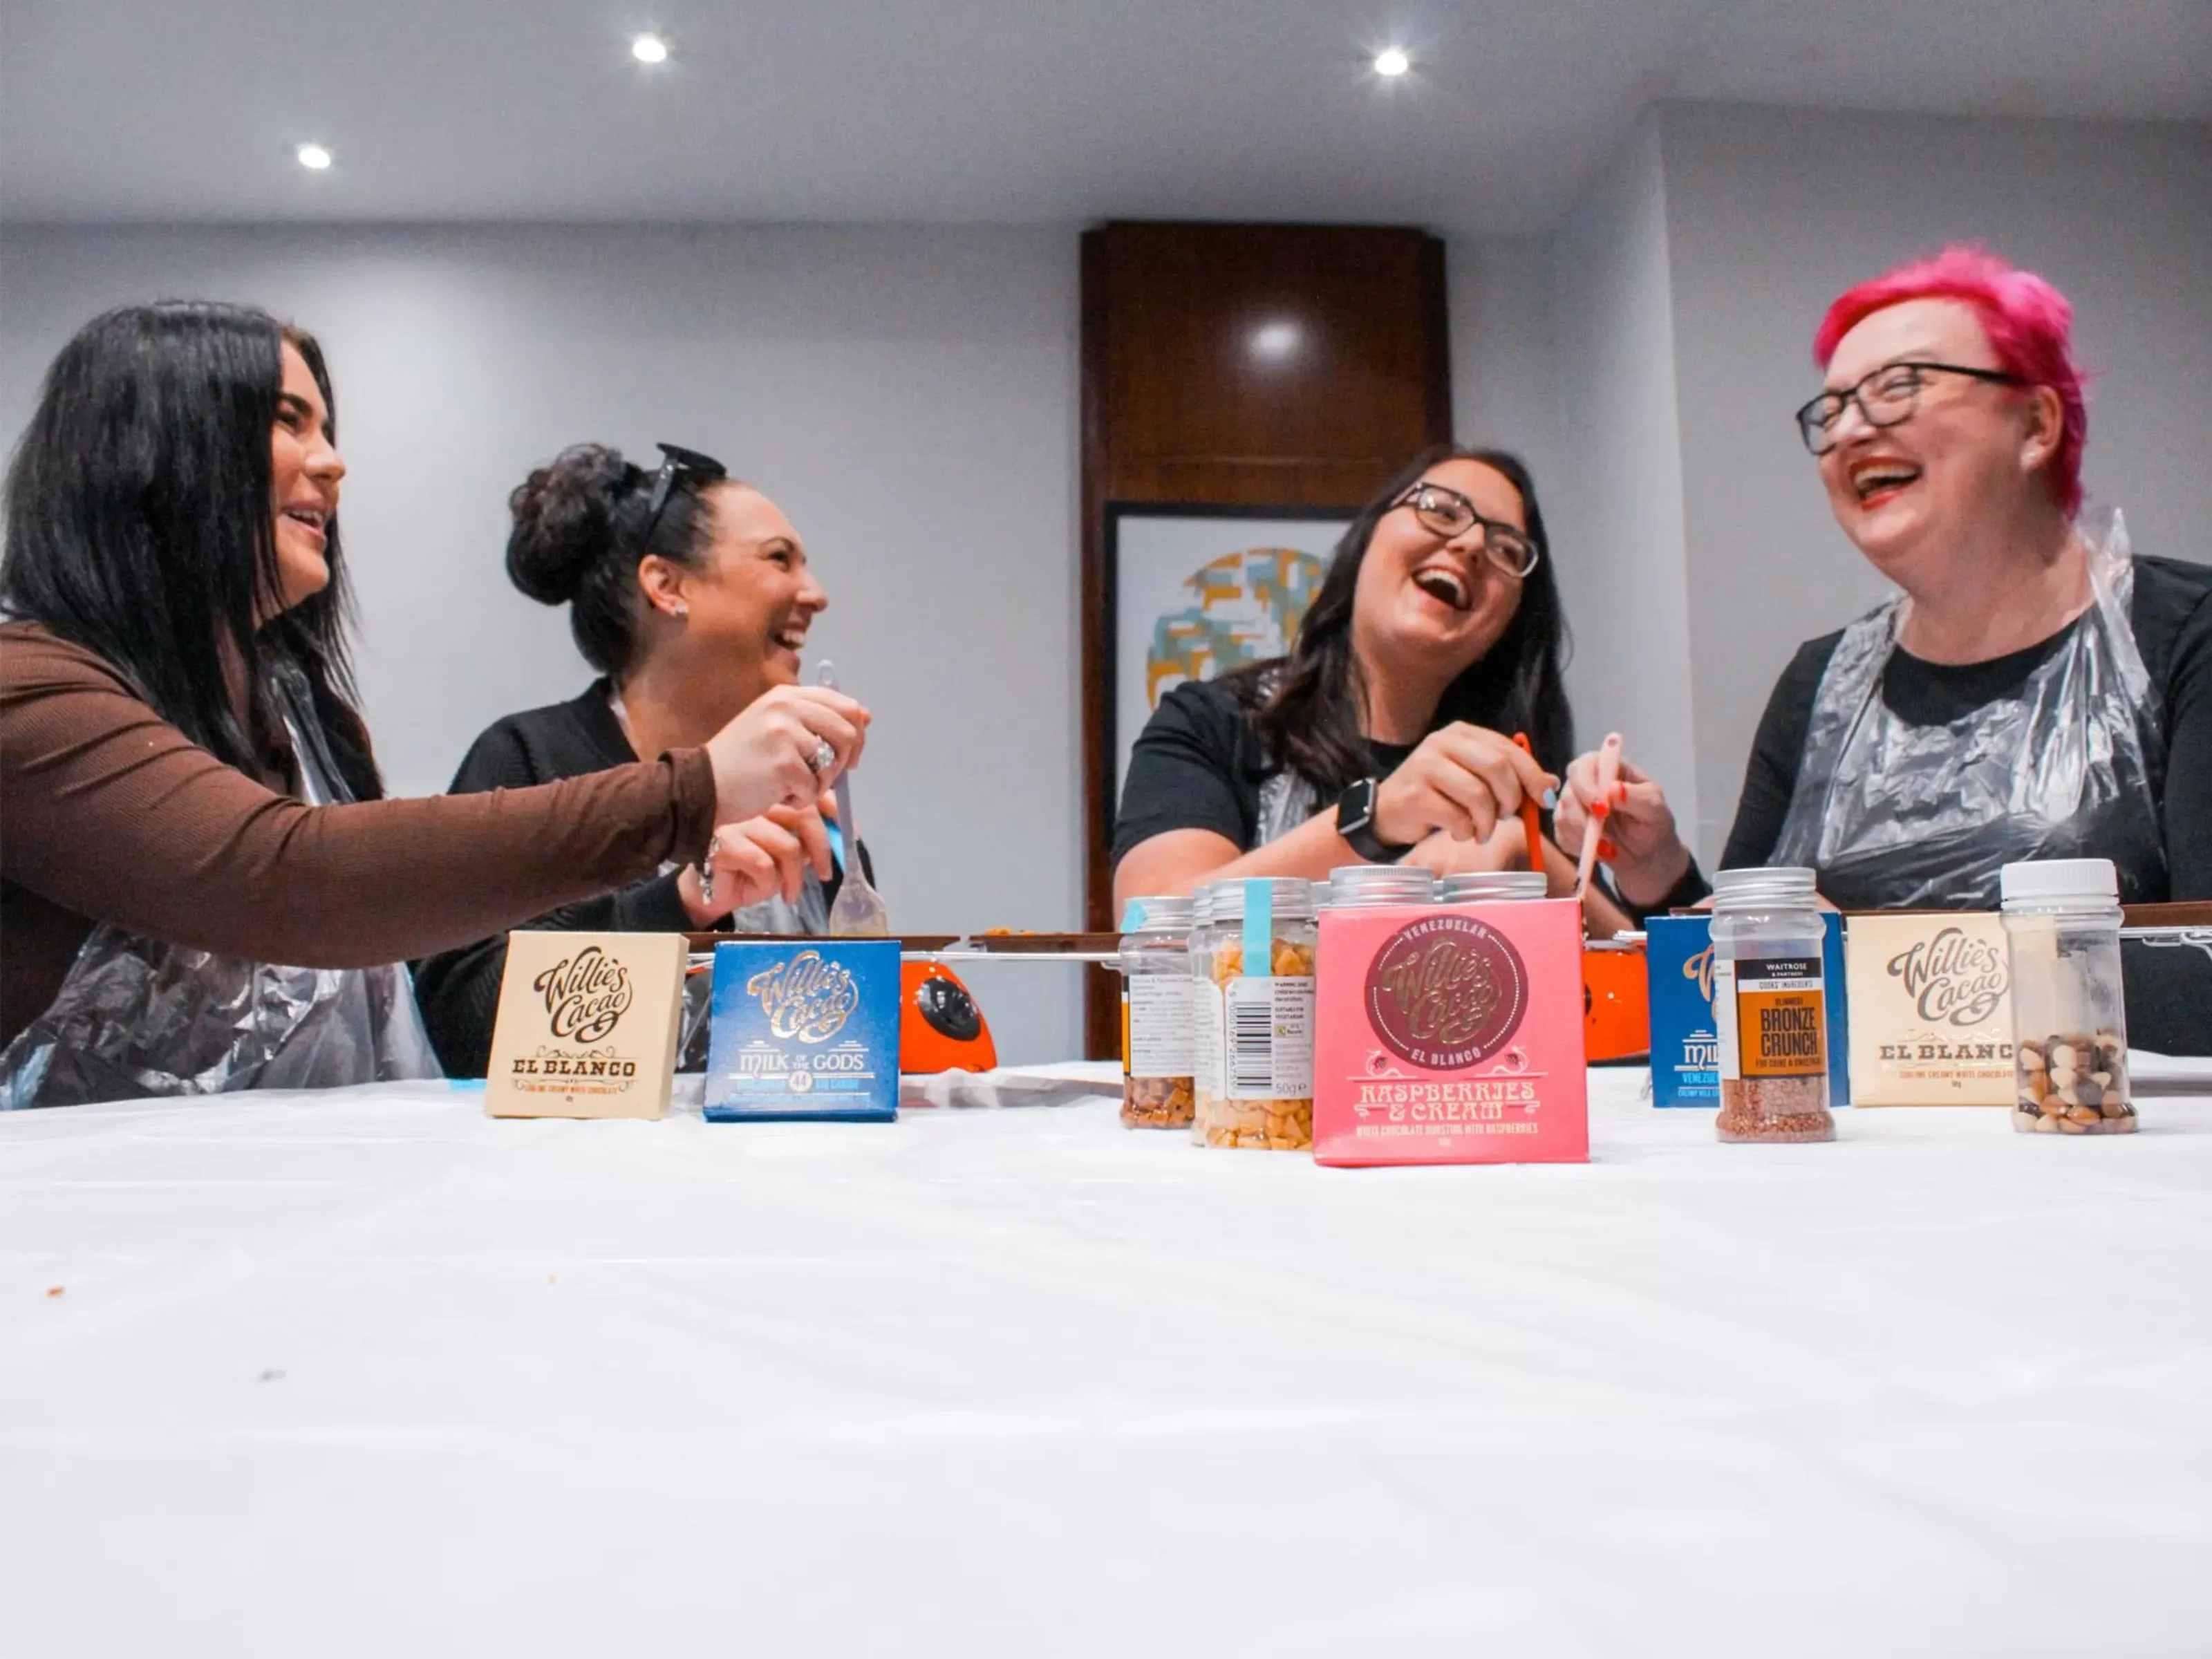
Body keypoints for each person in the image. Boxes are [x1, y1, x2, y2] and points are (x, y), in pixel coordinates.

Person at [0, 301, 870, 1105]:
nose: (333, 462)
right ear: (151, 453)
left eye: (327, 428)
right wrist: (689, 805)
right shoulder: (25, 691)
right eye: (288, 420)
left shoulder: (312, 722)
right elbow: (288, 881)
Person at [1552, 247, 2211, 1052]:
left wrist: (1857, 961)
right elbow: (1729, 996)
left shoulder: (2183, 637)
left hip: (2102, 1127)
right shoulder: (1818, 684)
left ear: (2035, 425)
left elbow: (2199, 975)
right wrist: (1657, 871)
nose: (1851, 430)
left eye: (1900, 387)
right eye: (1830, 410)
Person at [413, 442, 872, 1075]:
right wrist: (680, 902)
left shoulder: (807, 802)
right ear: (667, 585)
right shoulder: (526, 761)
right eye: (779, 559)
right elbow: (461, 1027)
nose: (815, 594)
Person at [1112, 444, 1630, 933]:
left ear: (1507, 627)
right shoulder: (1213, 722)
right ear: (1365, 544)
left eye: (1506, 549)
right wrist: (1375, 821)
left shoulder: (1518, 767)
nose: (1472, 544)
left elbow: (1634, 969)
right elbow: (1149, 927)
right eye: (1442, 510)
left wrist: (1535, 853)